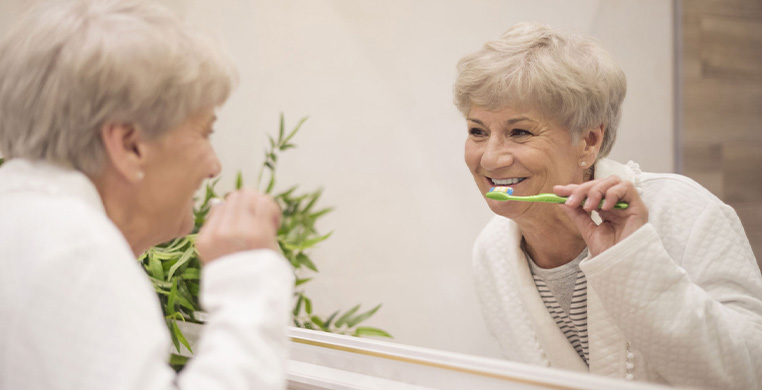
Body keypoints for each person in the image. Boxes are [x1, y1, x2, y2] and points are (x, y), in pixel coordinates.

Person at [0, 1, 293, 389]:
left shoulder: (24, 222)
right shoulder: (75, 251)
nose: (214, 166)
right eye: (205, 132)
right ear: (129, 144)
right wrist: (248, 285)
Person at [454, 22, 762, 389]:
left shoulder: (684, 210)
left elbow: (749, 374)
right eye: (477, 131)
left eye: (520, 132)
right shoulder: (491, 253)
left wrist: (631, 261)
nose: (490, 158)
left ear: (588, 141)